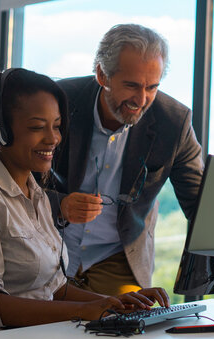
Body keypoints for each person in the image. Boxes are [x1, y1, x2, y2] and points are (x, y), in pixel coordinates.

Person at [0, 68, 169, 329]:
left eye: (57, 126)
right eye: (37, 127)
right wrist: (84, 311)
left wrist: (116, 303)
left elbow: (54, 288)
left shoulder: (37, 195)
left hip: (29, 338)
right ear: (2, 131)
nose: (53, 138)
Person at [47, 24, 203, 296]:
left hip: (119, 258)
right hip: (49, 248)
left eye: (152, 87)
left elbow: (200, 204)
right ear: (101, 74)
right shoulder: (58, 101)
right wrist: (60, 204)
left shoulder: (174, 122)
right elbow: (15, 184)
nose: (141, 100)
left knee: (127, 329)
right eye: (131, 85)